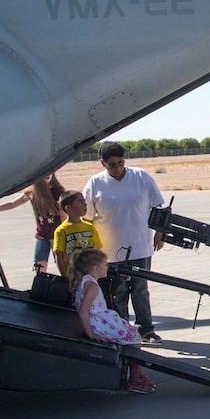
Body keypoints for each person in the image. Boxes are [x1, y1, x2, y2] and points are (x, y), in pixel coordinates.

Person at [84, 142, 165, 344]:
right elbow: (87, 216)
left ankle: (146, 330)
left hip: (140, 246)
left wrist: (159, 234)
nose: (118, 168)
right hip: (109, 250)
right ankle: (120, 329)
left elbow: (159, 206)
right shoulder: (95, 183)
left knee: (140, 289)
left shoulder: (141, 177)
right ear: (102, 163)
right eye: (112, 165)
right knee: (117, 293)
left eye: (121, 163)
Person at [71, 248, 154, 394]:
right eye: (105, 265)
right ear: (96, 268)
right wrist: (90, 333)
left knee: (133, 334)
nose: (107, 268)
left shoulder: (86, 281)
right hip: (98, 323)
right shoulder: (92, 286)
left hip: (99, 319)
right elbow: (84, 311)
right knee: (134, 341)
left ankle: (139, 374)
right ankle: (134, 380)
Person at [0, 172, 65, 273]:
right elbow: (12, 204)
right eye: (43, 173)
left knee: (62, 264)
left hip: (56, 235)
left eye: (50, 172)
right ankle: (39, 285)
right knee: (39, 267)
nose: (48, 175)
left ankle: (68, 285)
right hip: (42, 236)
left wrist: (64, 233)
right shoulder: (32, 192)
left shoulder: (58, 191)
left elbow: (63, 215)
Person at [53, 190, 102, 278]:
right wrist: (65, 277)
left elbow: (97, 251)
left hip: (91, 275)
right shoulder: (62, 230)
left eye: (84, 201)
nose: (85, 204)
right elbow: (59, 257)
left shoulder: (89, 227)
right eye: (79, 202)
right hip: (73, 275)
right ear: (68, 208)